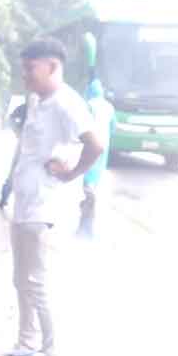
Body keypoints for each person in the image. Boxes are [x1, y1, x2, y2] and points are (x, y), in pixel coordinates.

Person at [0, 38, 105, 356]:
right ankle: (28, 345)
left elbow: (96, 144)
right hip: (26, 206)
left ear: (53, 66)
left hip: (47, 210)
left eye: (31, 68)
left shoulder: (68, 104)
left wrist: (73, 173)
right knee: (22, 280)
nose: (25, 75)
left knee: (42, 286)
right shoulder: (39, 100)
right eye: (24, 68)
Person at [78, 79, 114, 239]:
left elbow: (82, 125)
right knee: (96, 176)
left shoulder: (89, 105)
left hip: (91, 144)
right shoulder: (109, 107)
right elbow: (114, 127)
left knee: (88, 182)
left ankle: (86, 226)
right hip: (104, 145)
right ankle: (86, 224)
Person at [0, 102, 28, 209]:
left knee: (14, 172)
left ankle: (5, 198)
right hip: (25, 142)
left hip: (26, 143)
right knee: (14, 172)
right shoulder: (27, 107)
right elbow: (11, 118)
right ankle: (5, 198)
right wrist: (17, 131)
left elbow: (11, 118)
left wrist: (17, 130)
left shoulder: (27, 106)